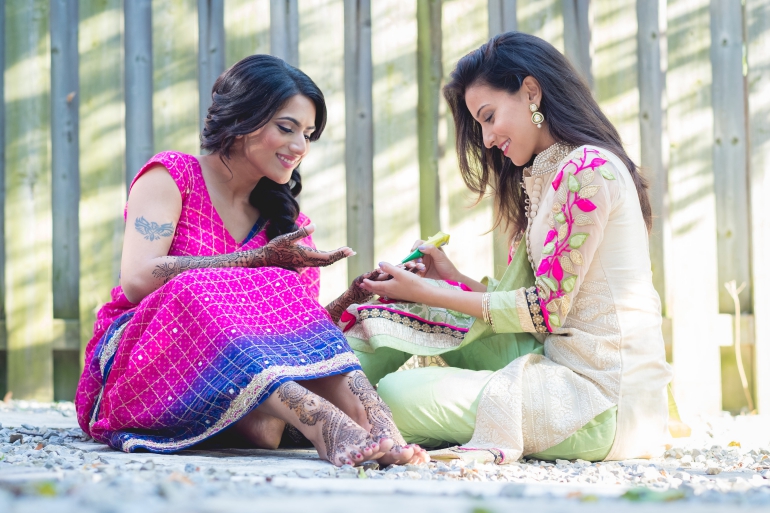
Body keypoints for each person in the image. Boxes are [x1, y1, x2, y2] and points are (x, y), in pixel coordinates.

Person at [75, 55, 427, 467]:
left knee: (268, 414)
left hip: (232, 383)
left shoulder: (287, 225)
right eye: (286, 127)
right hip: (137, 367)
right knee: (206, 285)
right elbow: (136, 278)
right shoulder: (173, 176)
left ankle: (377, 425)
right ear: (243, 118)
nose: (300, 147)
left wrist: (354, 297)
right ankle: (323, 424)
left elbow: (291, 337)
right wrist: (255, 259)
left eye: (309, 134)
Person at [341, 32, 673, 464]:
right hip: (556, 358)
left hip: (603, 399)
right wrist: (450, 281)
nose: (485, 139)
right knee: (407, 314)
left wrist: (423, 290)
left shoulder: (587, 171)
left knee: (397, 395)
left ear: (531, 91)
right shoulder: (550, 176)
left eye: (488, 116)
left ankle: (320, 416)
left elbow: (545, 311)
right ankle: (309, 398)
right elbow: (539, 314)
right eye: (479, 123)